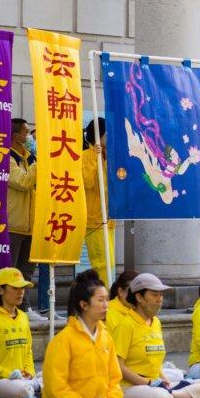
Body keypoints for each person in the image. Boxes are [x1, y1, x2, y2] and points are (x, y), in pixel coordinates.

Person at [43, 270, 165, 398]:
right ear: (84, 305)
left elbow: (114, 379)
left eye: (107, 299)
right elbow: (56, 389)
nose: (106, 305)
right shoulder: (63, 340)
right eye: (100, 300)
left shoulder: (105, 337)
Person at [112, 273, 200, 398]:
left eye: (161, 295)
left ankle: (172, 397)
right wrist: (149, 383)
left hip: (156, 386)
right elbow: (118, 366)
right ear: (139, 297)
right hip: (130, 387)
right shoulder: (126, 325)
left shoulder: (155, 322)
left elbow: (154, 363)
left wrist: (164, 381)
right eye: (154, 295)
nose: (160, 299)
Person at [0, 268, 40, 398]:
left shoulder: (23, 317)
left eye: (23, 288)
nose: (21, 292)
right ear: (0, 290)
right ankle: (36, 390)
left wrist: (29, 372)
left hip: (21, 379)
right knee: (21, 391)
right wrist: (8, 374)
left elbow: (28, 351)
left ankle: (34, 387)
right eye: (15, 288)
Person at [81, 118, 115, 287]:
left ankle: (105, 297)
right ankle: (104, 300)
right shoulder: (87, 156)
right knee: (102, 263)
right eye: (107, 134)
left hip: (108, 218)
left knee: (109, 263)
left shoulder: (110, 155)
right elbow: (87, 181)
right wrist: (95, 155)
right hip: (94, 219)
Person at [6, 119, 38, 294]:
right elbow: (23, 182)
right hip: (14, 224)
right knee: (10, 272)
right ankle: (5, 305)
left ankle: (24, 307)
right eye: (26, 133)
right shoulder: (6, 157)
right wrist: (38, 165)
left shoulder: (30, 157)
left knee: (26, 272)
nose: (29, 136)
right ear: (16, 136)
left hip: (32, 225)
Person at [106, 269, 139, 334]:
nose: (137, 296)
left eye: (140, 292)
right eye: (132, 292)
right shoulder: (107, 313)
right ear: (120, 291)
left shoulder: (141, 311)